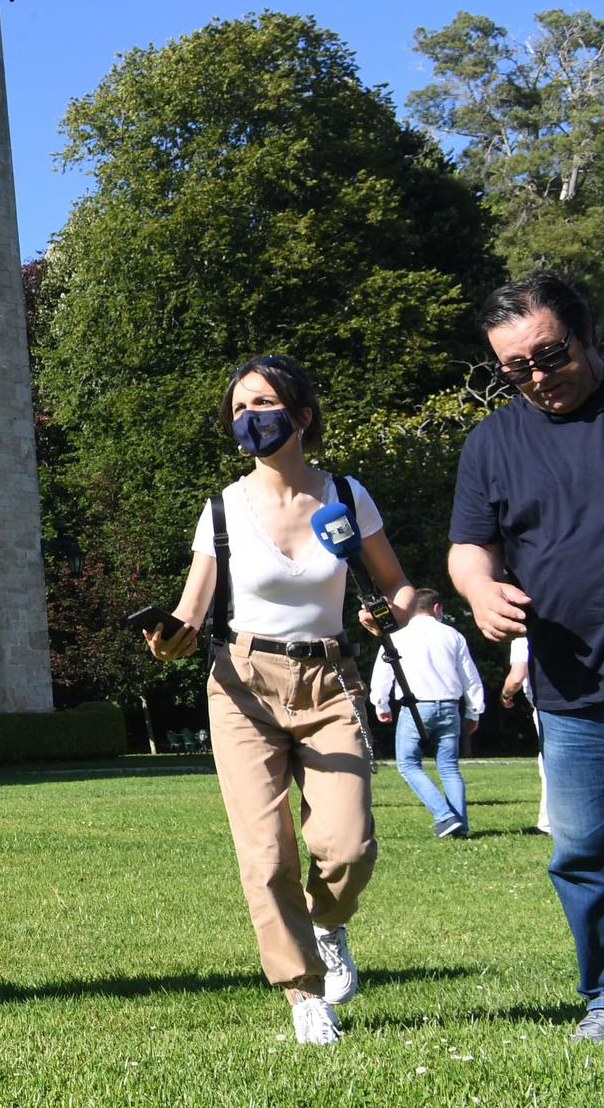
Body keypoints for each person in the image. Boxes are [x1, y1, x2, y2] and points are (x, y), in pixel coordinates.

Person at [145, 354, 414, 1046]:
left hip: (330, 680)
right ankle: (303, 992)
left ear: (301, 414)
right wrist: (167, 640)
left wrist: (390, 611)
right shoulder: (222, 509)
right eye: (239, 409)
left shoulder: (346, 496)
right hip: (242, 685)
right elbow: (190, 612)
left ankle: (328, 923)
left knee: (348, 846)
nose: (249, 418)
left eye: (261, 404)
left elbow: (399, 586)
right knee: (266, 855)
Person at [449, 272, 604, 1043]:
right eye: (517, 369)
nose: (539, 377)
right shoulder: (493, 443)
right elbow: (468, 547)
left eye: (550, 355)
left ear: (586, 332)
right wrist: (480, 589)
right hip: (571, 686)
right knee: (581, 852)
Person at [370, 589, 485, 838]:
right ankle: (460, 824)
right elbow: (470, 677)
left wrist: (381, 704)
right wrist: (474, 711)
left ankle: (445, 816)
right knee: (449, 767)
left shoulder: (397, 636)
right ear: (436, 608)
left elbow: (383, 673)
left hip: (416, 706)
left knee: (408, 764)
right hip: (450, 705)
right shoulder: (453, 635)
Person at [502, 636, 552, 836]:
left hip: (550, 707)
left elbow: (517, 676)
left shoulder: (523, 636)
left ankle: (548, 823)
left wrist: (506, 694)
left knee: (550, 765)